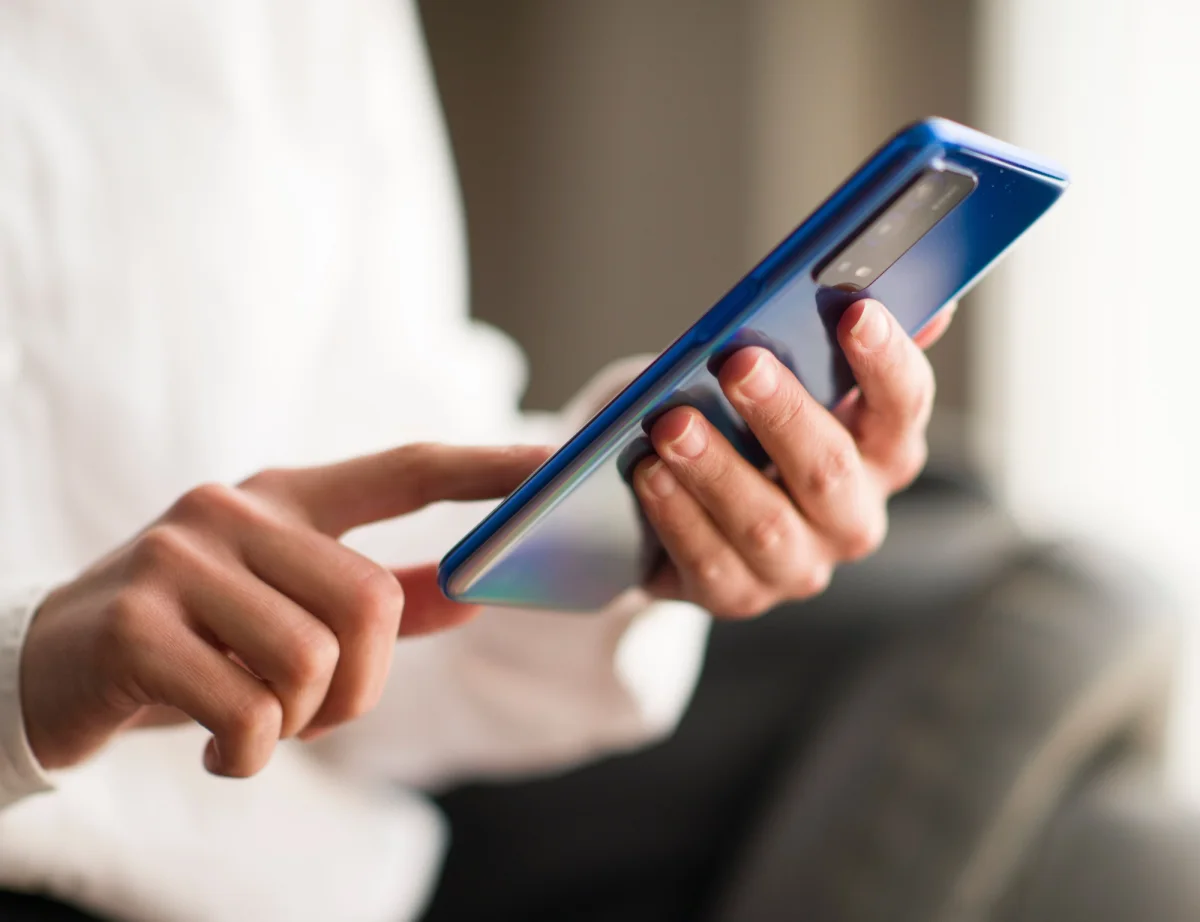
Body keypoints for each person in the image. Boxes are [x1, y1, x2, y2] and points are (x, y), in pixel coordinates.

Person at [0, 3, 953, 921]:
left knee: (980, 554)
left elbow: (403, 610)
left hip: (300, 864)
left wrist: (629, 506)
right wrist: (24, 677)